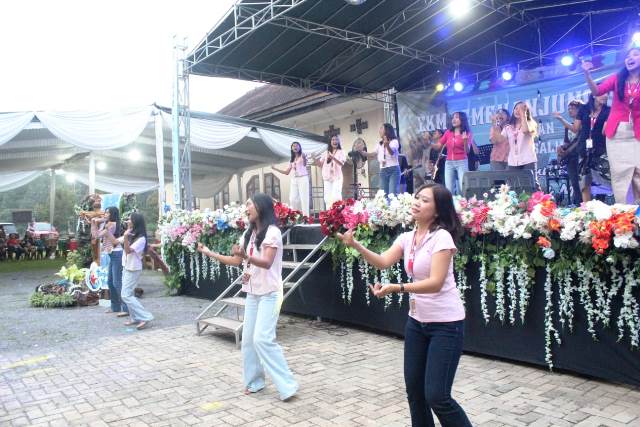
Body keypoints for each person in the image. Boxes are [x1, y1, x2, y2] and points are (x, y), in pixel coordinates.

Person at [337, 183, 471, 426]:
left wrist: (396, 288)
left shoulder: (441, 237)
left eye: (425, 200)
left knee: (437, 396)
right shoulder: (407, 238)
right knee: (415, 393)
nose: (417, 202)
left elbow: (435, 283)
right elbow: (382, 261)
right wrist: (355, 244)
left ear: (438, 211)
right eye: (417, 197)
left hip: (446, 325)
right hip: (417, 323)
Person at [197, 193, 298, 401]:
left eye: (249, 204)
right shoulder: (248, 234)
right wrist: (209, 252)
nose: (246, 208)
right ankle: (255, 382)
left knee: (262, 339)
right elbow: (236, 261)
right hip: (253, 294)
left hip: (271, 294)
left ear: (260, 207)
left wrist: (246, 256)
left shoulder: (273, 232)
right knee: (249, 341)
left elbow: (267, 262)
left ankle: (288, 385)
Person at [583, 47, 640, 203]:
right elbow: (597, 91)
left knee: (638, 173)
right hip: (617, 135)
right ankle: (623, 211)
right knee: (620, 175)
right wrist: (587, 74)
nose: (630, 58)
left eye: (635, 54)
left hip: (637, 134)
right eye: (628, 56)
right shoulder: (617, 78)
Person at [431, 112, 479, 195]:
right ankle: (451, 203)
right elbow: (438, 146)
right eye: (453, 118)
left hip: (462, 162)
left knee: (463, 188)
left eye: (456, 117)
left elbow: (467, 151)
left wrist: (465, 141)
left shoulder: (467, 133)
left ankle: (464, 202)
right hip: (449, 163)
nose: (453, 119)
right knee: (449, 189)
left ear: (462, 119)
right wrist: (429, 143)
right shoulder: (448, 132)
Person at [120, 213, 153, 330]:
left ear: (135, 222)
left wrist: (125, 237)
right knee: (128, 294)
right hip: (127, 266)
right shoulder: (132, 234)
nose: (128, 221)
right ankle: (134, 317)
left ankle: (145, 316)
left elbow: (128, 251)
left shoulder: (141, 239)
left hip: (133, 268)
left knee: (125, 295)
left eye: (130, 219)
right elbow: (117, 242)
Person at [93, 206, 128, 316]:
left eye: (108, 213)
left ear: (113, 214)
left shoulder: (111, 224)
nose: (105, 214)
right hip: (112, 255)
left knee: (117, 283)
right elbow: (95, 235)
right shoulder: (108, 224)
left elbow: (97, 235)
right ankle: (115, 307)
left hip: (117, 254)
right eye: (105, 212)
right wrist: (94, 223)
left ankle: (125, 308)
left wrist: (95, 222)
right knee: (110, 282)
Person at [554, 100, 589, 205]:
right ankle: (578, 205)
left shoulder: (585, 124)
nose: (570, 111)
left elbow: (577, 136)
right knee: (574, 183)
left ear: (580, 110)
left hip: (581, 156)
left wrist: (561, 119)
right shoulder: (568, 126)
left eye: (573, 108)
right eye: (569, 109)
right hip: (570, 158)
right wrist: (561, 148)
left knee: (582, 183)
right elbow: (567, 142)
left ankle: (586, 205)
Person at [493, 102, 538, 174]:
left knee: (530, 181)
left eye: (521, 109)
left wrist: (523, 114)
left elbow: (525, 131)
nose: (518, 111)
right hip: (513, 162)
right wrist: (496, 124)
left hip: (528, 161)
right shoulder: (508, 127)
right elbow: (498, 140)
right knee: (514, 181)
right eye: (516, 108)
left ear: (526, 111)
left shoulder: (531, 123)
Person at [272, 142, 310, 216]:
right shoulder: (291, 160)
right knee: (292, 199)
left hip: (303, 178)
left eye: (296, 146)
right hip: (294, 179)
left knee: (304, 198)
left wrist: (304, 158)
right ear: (291, 148)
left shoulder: (303, 155)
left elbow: (305, 164)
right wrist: (275, 169)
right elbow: (286, 172)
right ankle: (295, 216)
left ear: (300, 147)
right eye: (293, 146)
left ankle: (306, 217)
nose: (295, 147)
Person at [366, 123, 401, 195]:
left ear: (387, 130)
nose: (379, 130)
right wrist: (362, 152)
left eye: (381, 128)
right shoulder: (379, 144)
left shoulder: (394, 141)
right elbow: (373, 154)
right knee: (383, 194)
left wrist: (387, 145)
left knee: (392, 194)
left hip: (393, 169)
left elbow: (392, 153)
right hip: (383, 170)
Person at [313, 135, 346, 209]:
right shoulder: (326, 152)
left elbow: (342, 163)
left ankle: (338, 213)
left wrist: (333, 157)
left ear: (339, 142)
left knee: (336, 196)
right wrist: (314, 159)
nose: (334, 141)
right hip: (327, 177)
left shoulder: (341, 152)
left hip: (337, 177)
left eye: (336, 140)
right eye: (333, 140)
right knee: (327, 198)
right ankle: (329, 213)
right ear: (330, 142)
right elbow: (320, 165)